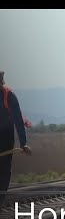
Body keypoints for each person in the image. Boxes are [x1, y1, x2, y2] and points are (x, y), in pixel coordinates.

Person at [0, 71, 32, 210]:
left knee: (3, 173)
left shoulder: (9, 96)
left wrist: (23, 143)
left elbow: (18, 121)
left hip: (5, 140)